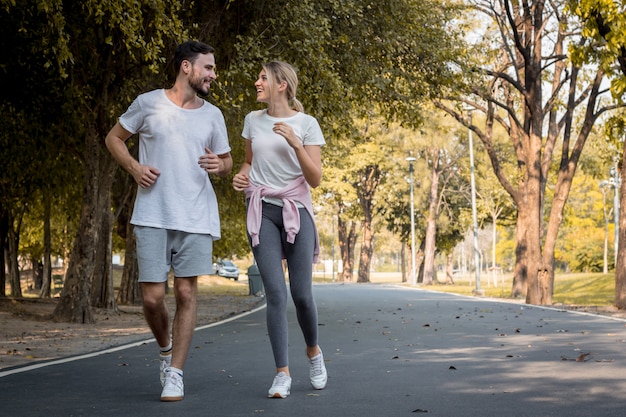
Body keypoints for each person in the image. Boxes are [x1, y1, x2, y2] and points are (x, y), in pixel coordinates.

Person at [105, 40, 232, 402]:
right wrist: (134, 167)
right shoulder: (147, 104)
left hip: (195, 214)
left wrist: (218, 166)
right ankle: (165, 350)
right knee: (152, 298)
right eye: (207, 67)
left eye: (213, 68)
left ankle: (175, 372)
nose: (213, 74)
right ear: (186, 67)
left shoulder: (213, 115)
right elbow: (113, 138)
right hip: (153, 214)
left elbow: (225, 162)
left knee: (186, 292)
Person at [232, 61, 328, 398]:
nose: (256, 82)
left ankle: (314, 353)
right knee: (275, 293)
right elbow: (248, 161)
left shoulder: (306, 123)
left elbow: (315, 179)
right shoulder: (252, 121)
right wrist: (242, 176)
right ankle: (282, 373)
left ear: (282, 84)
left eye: (262, 77)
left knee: (301, 295)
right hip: (261, 211)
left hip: (296, 210)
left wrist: (295, 144)